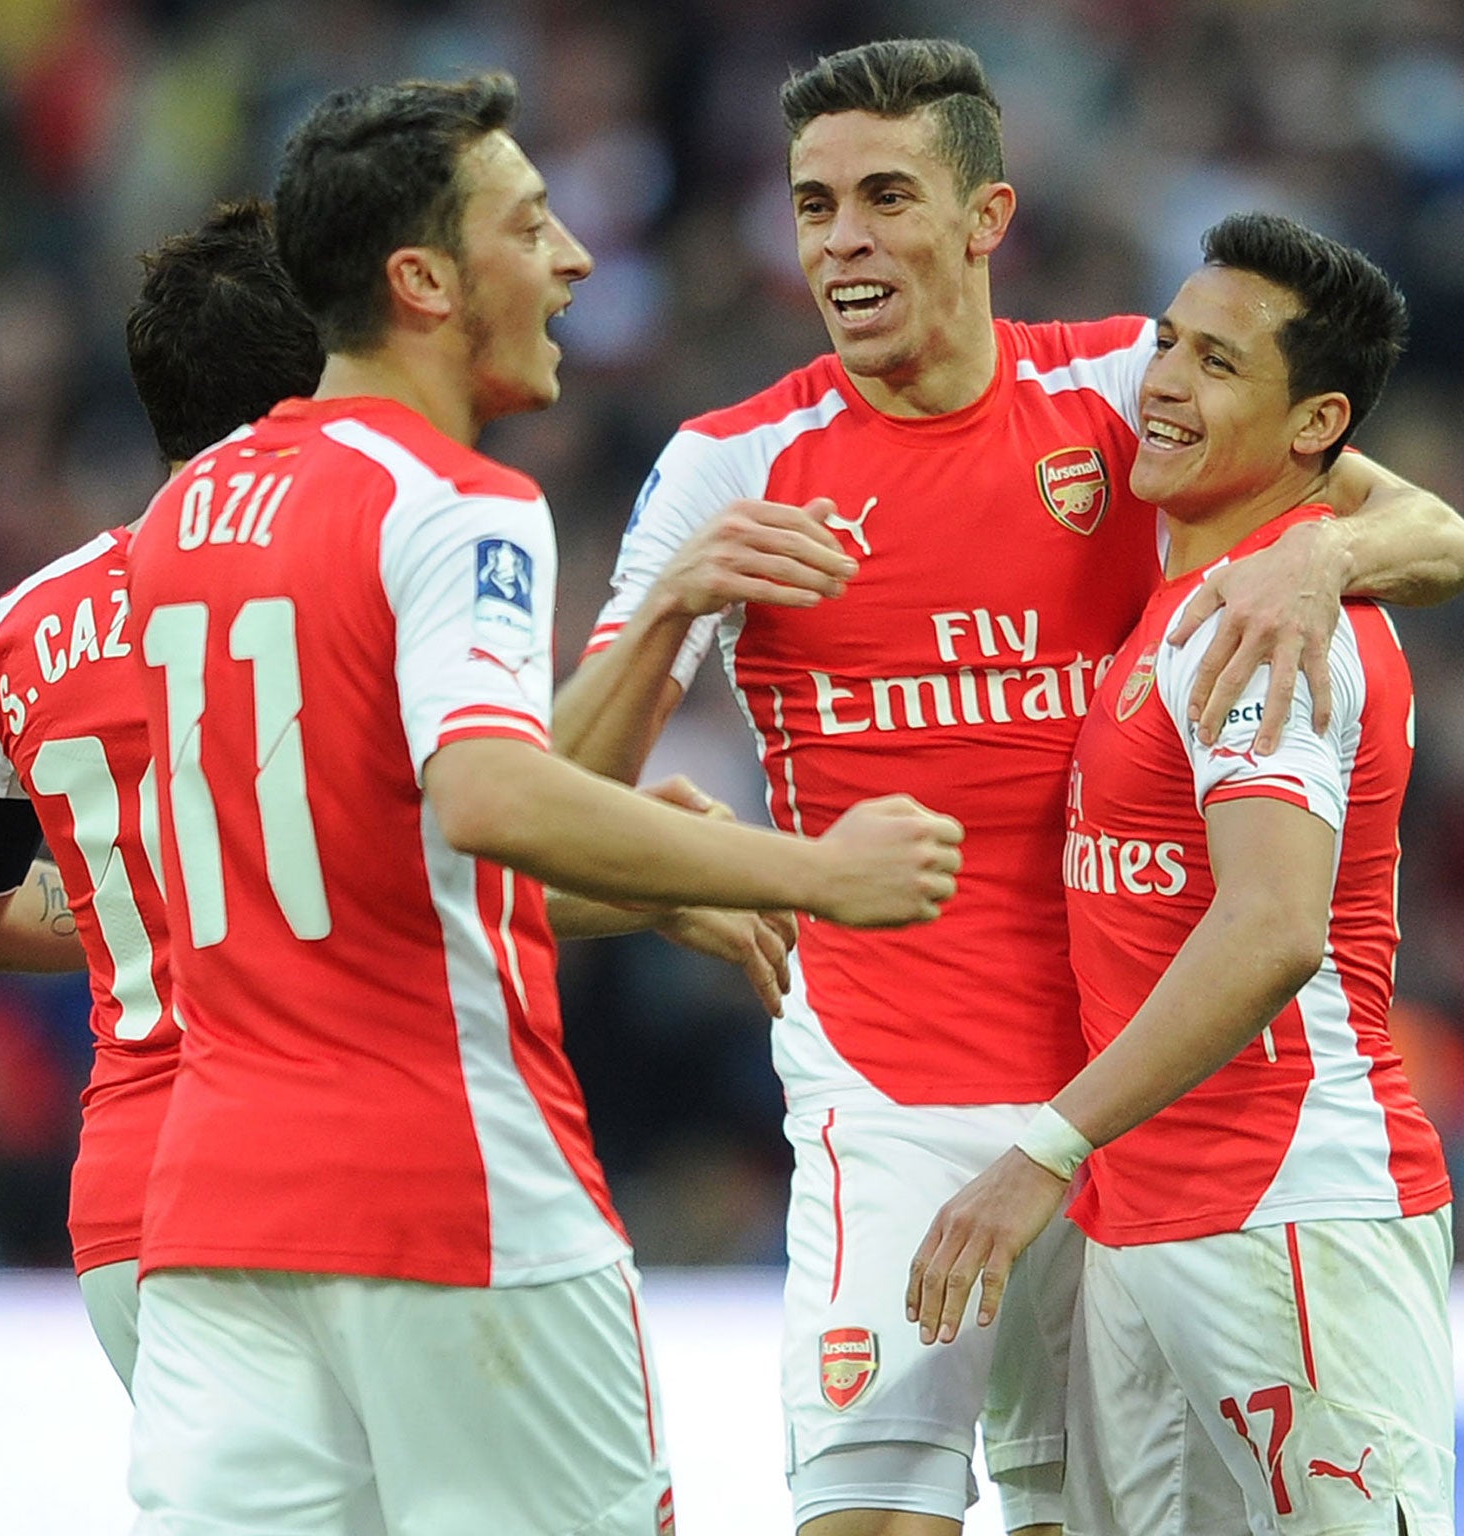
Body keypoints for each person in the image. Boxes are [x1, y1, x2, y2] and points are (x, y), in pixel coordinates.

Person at [554, 38, 1464, 1536]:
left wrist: (1322, 549)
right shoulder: (733, 470)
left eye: (882, 197)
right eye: (811, 205)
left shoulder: (1132, 388)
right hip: (894, 1104)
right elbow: (529, 825)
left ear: (986, 217)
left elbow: (1442, 535)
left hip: (1121, 1113)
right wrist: (671, 616)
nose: (840, 239)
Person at [120, 74, 965, 1536]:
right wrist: (807, 871)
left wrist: (662, 875)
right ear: (424, 281)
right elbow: (489, 796)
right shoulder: (458, 504)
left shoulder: (181, 519)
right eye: (532, 225)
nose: (575, 260)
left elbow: (353, 856)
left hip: (210, 1220)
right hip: (449, 1187)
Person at [907, 212, 1453, 1535]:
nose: (1159, 382)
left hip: (1286, 1219)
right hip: (1142, 1224)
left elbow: (1274, 932)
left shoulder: (1273, 625)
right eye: (1165, 341)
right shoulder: (1181, 600)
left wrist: (1043, 1150)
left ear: (1319, 423)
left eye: (1216, 363)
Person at [0, 198, 326, 1392]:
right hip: (324, 1162)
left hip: (130, 1205)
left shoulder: (23, 627)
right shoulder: (355, 581)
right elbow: (451, 876)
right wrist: (697, 885)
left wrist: (135, 910)